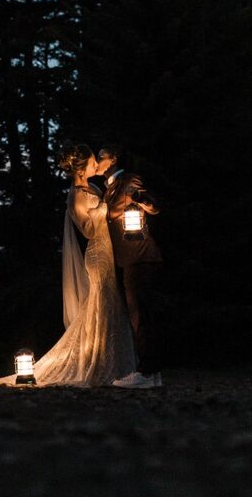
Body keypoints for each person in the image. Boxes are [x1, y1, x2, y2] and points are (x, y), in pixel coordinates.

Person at [0, 142, 136, 388]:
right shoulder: (75, 195)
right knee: (101, 304)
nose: (96, 164)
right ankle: (98, 365)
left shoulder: (94, 188)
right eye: (91, 162)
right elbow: (87, 229)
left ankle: (114, 363)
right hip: (97, 256)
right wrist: (105, 208)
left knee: (111, 305)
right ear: (81, 168)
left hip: (110, 251)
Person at [95, 143, 163, 388]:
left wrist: (141, 199)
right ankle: (151, 373)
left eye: (100, 157)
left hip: (141, 256)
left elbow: (154, 206)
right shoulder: (109, 188)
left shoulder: (130, 180)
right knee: (138, 315)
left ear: (112, 159)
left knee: (141, 315)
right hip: (128, 259)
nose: (97, 160)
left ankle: (146, 373)